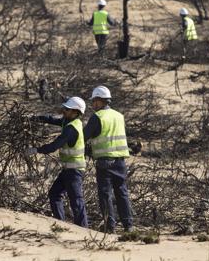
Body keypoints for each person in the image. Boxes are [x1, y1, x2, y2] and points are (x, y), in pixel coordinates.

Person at [27, 97, 89, 227]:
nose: (64, 111)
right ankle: (61, 224)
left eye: (67, 109)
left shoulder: (71, 128)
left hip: (74, 170)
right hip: (68, 170)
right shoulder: (68, 122)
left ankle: (83, 229)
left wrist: (36, 150)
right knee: (54, 194)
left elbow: (55, 146)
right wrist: (33, 118)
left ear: (75, 112)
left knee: (76, 201)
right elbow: (51, 119)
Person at [83, 86, 133, 233]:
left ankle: (110, 226)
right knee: (122, 193)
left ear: (99, 101)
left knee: (105, 195)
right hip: (121, 161)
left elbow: (84, 137)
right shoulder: (119, 116)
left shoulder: (97, 117)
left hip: (105, 163)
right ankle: (128, 225)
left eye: (94, 101)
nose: (93, 105)